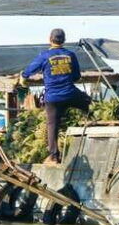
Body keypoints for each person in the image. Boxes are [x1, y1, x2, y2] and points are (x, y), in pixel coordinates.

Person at [20, 28, 91, 165]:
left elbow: (28, 71)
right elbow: (76, 76)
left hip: (52, 98)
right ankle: (93, 122)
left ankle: (54, 156)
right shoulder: (70, 55)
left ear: (50, 39)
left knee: (52, 125)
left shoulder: (44, 56)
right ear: (64, 40)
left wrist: (23, 78)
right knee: (88, 102)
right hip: (71, 94)